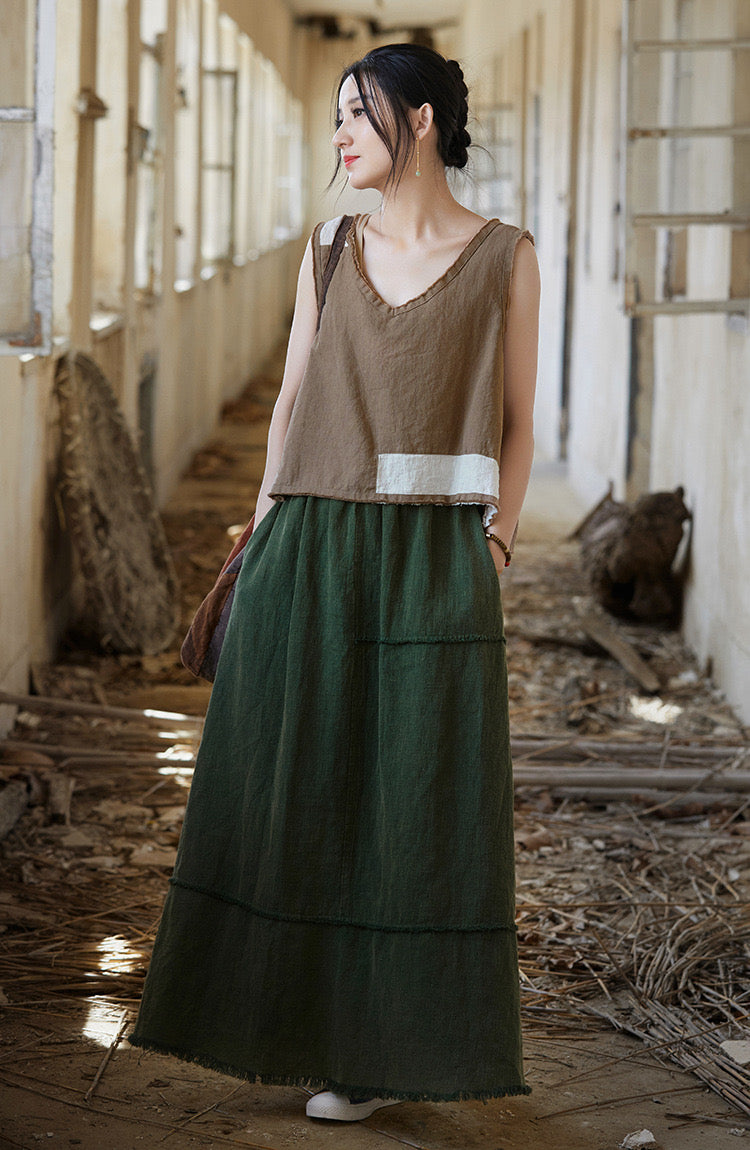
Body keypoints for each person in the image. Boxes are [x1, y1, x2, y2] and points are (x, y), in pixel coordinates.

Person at [130, 42, 540, 1124]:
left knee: (419, 796)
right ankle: (285, 1025)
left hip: (436, 555)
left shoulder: (507, 257)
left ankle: (381, 1051)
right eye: (336, 119)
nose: (342, 137)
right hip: (311, 541)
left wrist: (497, 544)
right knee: (297, 779)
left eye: (359, 114)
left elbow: (516, 422)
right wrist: (258, 538)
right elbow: (291, 401)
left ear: (419, 121)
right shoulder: (327, 248)